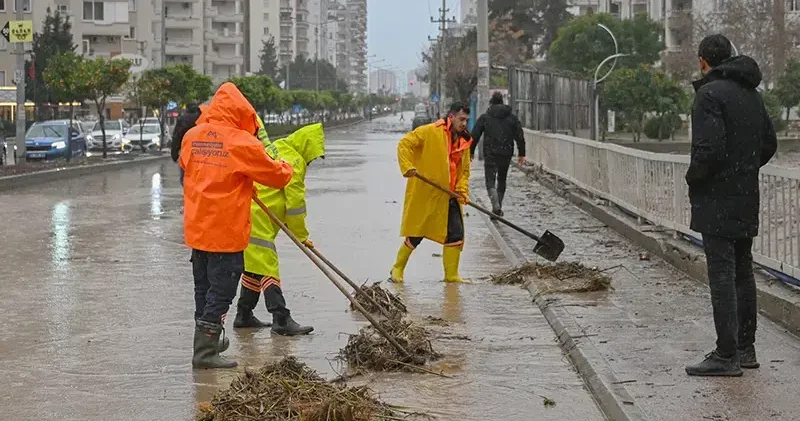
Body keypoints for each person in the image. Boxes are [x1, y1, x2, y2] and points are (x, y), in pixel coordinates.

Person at [181, 82, 294, 369]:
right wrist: (286, 164)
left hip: (198, 230)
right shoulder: (241, 143)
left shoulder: (192, 136)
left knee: (203, 289)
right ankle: (205, 353)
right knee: (221, 292)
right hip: (226, 233)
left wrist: (237, 179)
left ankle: (209, 341)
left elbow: (188, 165)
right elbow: (277, 176)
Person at [684, 34, 777, 377]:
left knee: (721, 274)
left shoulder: (708, 94)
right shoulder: (752, 94)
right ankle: (745, 349)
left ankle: (725, 355)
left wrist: (694, 177)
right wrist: (744, 168)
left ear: (703, 61)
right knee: (742, 271)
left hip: (716, 198)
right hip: (745, 194)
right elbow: (769, 143)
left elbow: (709, 150)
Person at [233, 123, 325, 336]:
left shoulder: (278, 147)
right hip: (258, 219)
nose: (310, 162)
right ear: (307, 147)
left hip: (247, 213)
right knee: (268, 267)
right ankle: (281, 318)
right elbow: (295, 205)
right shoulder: (294, 161)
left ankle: (244, 315)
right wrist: (301, 235)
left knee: (255, 268)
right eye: (312, 157)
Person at [389, 102, 472, 284]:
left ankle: (451, 275)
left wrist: (462, 190)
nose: (464, 123)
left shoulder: (464, 141)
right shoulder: (430, 131)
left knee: (456, 234)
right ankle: (397, 268)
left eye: (466, 120)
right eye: (461, 119)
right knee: (417, 233)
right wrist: (407, 166)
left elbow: (464, 170)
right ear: (451, 117)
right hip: (428, 193)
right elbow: (405, 144)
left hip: (450, 195)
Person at [470, 92, 526, 217]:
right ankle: (498, 206)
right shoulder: (512, 118)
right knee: (502, 179)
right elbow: (520, 136)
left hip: (490, 153)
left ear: (491, 103)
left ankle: (495, 205)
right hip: (506, 153)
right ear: (502, 102)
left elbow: (474, 135)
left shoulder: (485, 117)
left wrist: (471, 151)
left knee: (490, 180)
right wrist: (521, 153)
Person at [171, 104, 204, 186]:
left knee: (186, 178)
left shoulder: (183, 119)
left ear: (187, 110)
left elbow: (177, 137)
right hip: (202, 152)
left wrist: (174, 154)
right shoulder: (204, 118)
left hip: (186, 151)